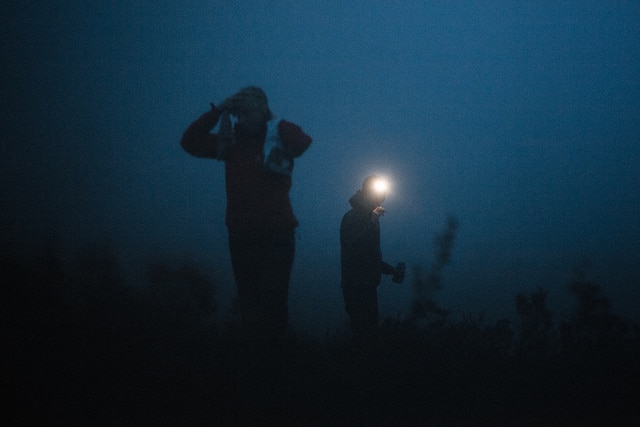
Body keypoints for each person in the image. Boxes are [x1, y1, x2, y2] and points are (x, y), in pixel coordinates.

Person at [180, 86, 312, 343]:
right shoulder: (230, 143)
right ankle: (254, 366)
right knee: (249, 304)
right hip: (242, 234)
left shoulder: (279, 138)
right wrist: (219, 111)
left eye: (247, 111)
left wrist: (273, 122)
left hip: (278, 234)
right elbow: (189, 142)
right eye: (239, 113)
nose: (243, 118)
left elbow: (302, 141)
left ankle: (275, 364)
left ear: (261, 112)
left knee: (274, 304)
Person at [340, 175, 404, 346]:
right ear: (367, 194)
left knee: (369, 336)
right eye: (377, 195)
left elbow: (370, 257)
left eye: (382, 195)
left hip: (367, 287)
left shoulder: (370, 220)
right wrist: (372, 221)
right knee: (364, 337)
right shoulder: (353, 217)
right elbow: (355, 249)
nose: (380, 199)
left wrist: (392, 271)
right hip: (356, 288)